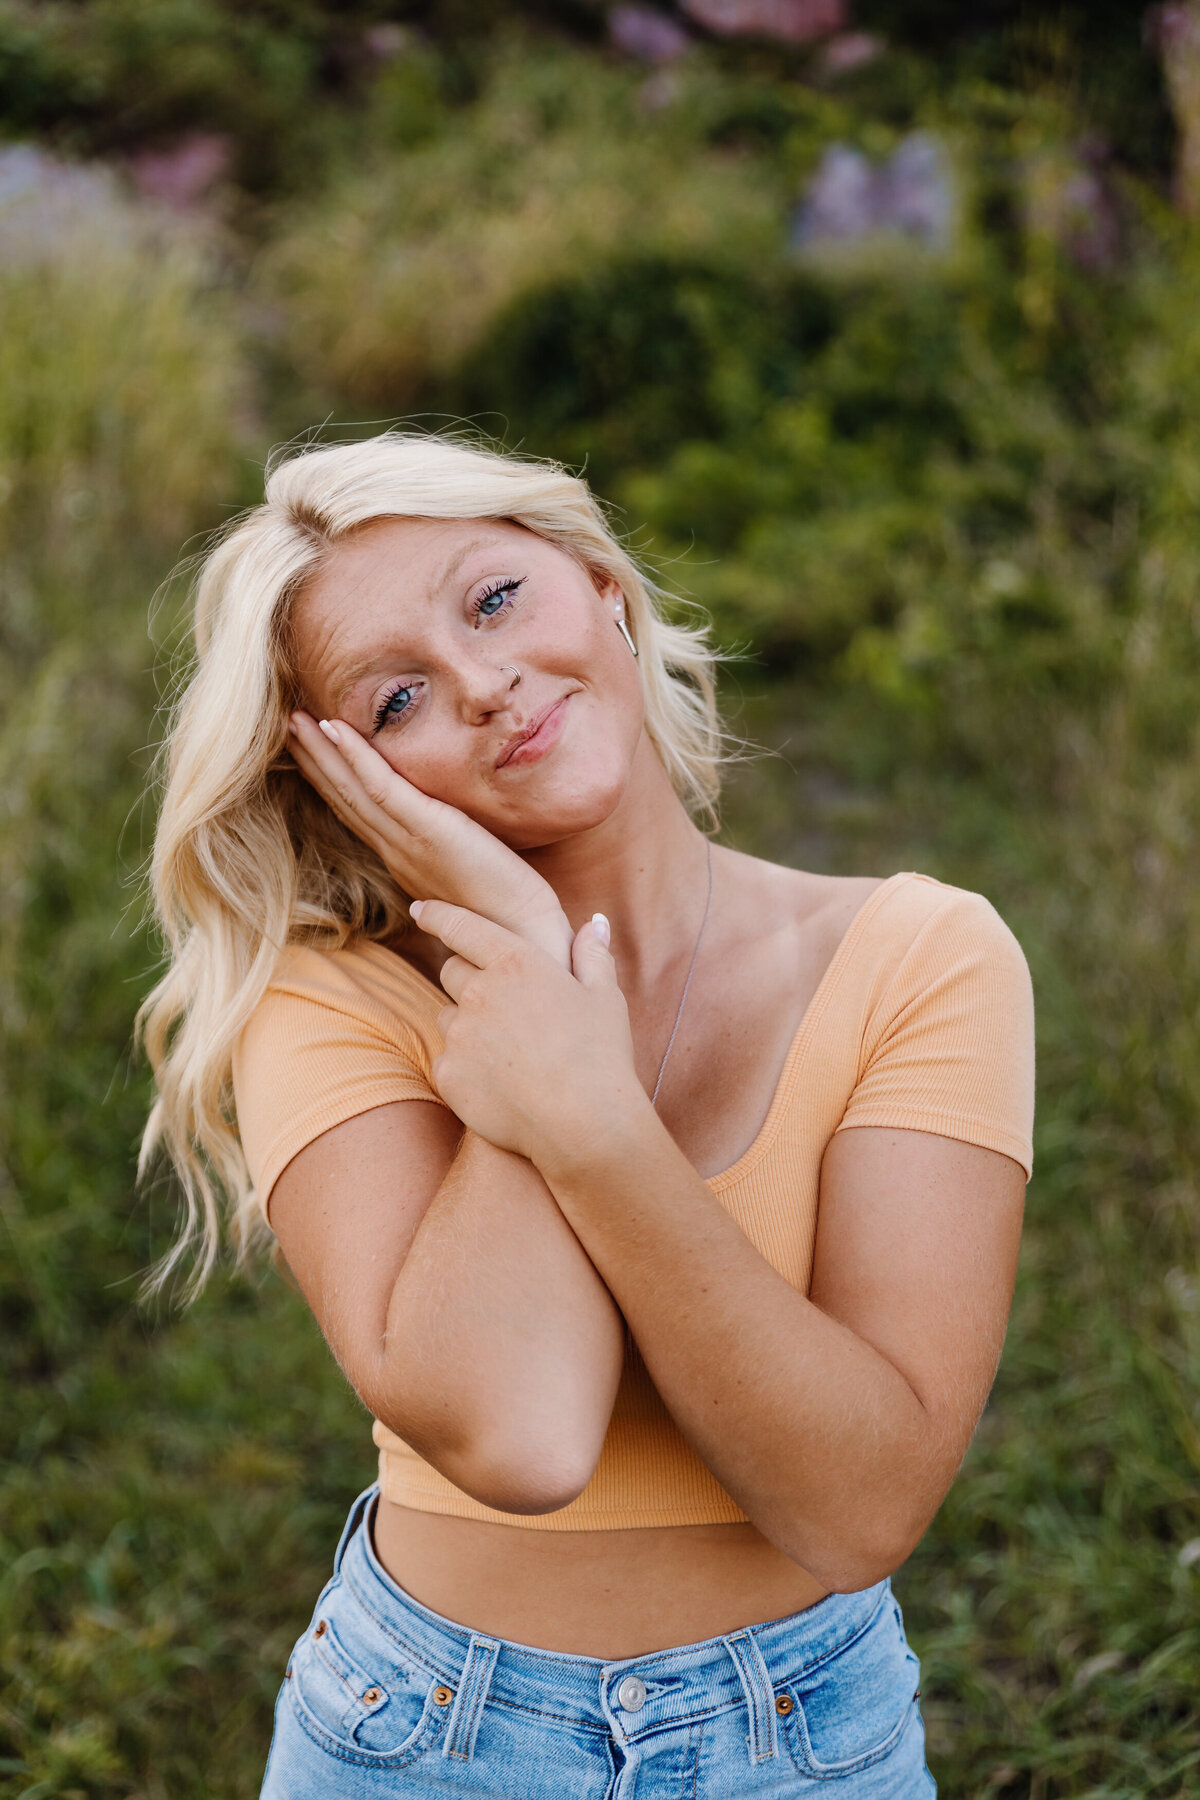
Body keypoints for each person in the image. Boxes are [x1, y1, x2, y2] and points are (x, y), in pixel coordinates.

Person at [139, 432, 1034, 1798]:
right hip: (422, 1741)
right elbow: (525, 1436)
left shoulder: (923, 958)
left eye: (495, 601)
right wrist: (530, 953)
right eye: (396, 701)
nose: (488, 686)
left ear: (601, 582)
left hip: (808, 1745)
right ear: (335, 784)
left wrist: (594, 1124)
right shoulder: (328, 1000)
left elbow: (859, 1508)